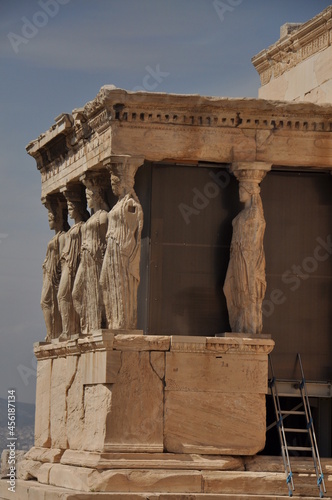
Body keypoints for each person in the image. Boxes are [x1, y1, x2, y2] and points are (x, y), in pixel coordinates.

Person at [100, 163, 143, 330]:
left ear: (124, 183)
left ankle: (122, 322)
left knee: (122, 284)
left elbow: (137, 224)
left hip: (121, 248)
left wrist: (128, 248)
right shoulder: (118, 204)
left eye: (115, 183)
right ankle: (112, 320)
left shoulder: (130, 203)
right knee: (105, 281)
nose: (113, 186)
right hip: (112, 247)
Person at [223, 178, 266, 334]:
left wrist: (247, 257)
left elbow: (256, 239)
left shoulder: (255, 213)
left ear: (250, 192)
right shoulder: (244, 213)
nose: (239, 193)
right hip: (238, 257)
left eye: (242, 190)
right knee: (230, 288)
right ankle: (240, 325)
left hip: (248, 259)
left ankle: (248, 327)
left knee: (248, 291)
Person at [72, 175, 109, 333]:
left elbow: (107, 242)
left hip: (95, 258)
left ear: (97, 196)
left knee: (96, 293)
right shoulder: (93, 218)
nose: (87, 200)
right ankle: (87, 321)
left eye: (89, 196)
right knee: (76, 293)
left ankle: (98, 324)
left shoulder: (103, 217)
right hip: (85, 258)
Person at [57, 188, 90, 341]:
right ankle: (68, 329)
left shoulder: (82, 227)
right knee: (63, 296)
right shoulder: (72, 230)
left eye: (71, 207)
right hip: (67, 265)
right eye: (68, 208)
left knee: (69, 295)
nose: (69, 211)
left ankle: (78, 327)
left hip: (75, 265)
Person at [41, 197, 69, 341]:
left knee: (50, 300)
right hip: (48, 273)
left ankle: (57, 332)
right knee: (46, 302)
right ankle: (52, 333)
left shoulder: (63, 236)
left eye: (51, 217)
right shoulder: (56, 237)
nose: (49, 219)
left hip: (56, 273)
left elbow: (64, 257)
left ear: (58, 218)